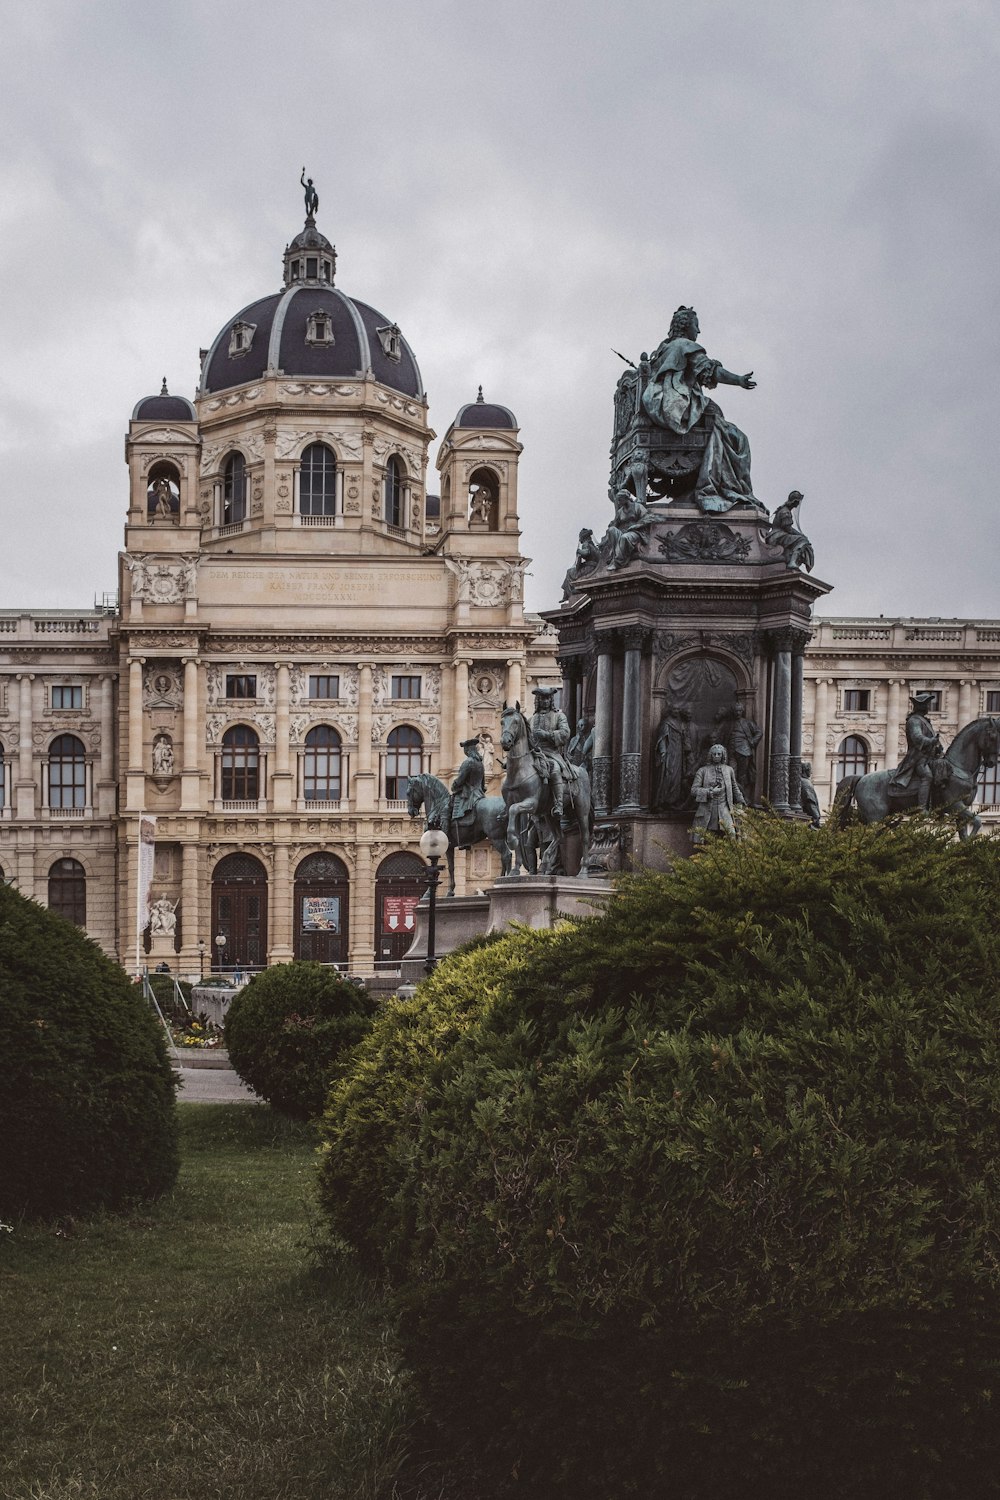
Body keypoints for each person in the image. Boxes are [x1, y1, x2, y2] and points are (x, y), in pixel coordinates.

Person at [640, 306, 763, 513]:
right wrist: (738, 380)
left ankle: (701, 486)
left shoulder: (662, 350)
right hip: (679, 410)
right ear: (687, 327)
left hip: (659, 410)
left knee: (720, 421)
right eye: (697, 325)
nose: (699, 331)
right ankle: (725, 486)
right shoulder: (685, 346)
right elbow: (711, 372)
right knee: (738, 439)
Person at [888, 691, 944, 810]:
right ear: (921, 706)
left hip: (929, 758)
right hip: (917, 758)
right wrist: (931, 741)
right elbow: (917, 738)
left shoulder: (924, 721)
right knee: (927, 776)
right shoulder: (914, 720)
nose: (928, 707)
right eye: (926, 705)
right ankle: (922, 808)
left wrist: (937, 747)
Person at [529, 685, 573, 818]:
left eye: (548, 698)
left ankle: (559, 804)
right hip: (534, 754)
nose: (545, 701)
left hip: (552, 753)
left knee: (554, 769)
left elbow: (565, 733)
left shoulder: (559, 716)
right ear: (538, 700)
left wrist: (547, 735)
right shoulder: (531, 720)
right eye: (542, 698)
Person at [690, 744, 745, 843]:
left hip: (724, 808)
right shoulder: (702, 771)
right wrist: (710, 791)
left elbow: (734, 787)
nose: (716, 756)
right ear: (710, 755)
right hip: (707, 809)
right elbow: (693, 790)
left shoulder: (729, 770)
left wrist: (741, 800)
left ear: (723, 755)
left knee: (731, 834)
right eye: (714, 754)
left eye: (719, 754)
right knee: (707, 837)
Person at [652, 705, 695, 810]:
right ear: (671, 711)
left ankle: (673, 801)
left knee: (677, 777)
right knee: (668, 775)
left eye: (678, 709)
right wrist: (662, 751)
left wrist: (687, 750)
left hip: (678, 753)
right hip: (669, 753)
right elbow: (662, 738)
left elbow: (685, 737)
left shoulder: (680, 724)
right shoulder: (666, 723)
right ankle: (662, 801)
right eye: (674, 709)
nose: (676, 711)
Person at [764, 490, 814, 572]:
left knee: (801, 539)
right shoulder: (785, 512)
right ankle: (792, 562)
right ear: (794, 501)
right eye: (797, 502)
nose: (798, 504)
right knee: (802, 540)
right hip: (777, 536)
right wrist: (801, 535)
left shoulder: (785, 510)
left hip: (778, 535)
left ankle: (793, 560)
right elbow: (788, 529)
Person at [605, 488, 655, 570]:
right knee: (611, 530)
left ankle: (618, 563)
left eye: (619, 500)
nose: (618, 502)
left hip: (636, 532)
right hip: (624, 531)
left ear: (626, 498)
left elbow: (648, 518)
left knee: (625, 537)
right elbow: (615, 524)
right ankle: (614, 556)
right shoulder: (620, 511)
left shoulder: (638, 507)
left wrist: (636, 526)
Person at [449, 736, 486, 844]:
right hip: (479, 794)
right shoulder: (480, 763)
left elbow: (460, 779)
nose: (465, 751)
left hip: (469, 795)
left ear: (469, 750)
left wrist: (454, 786)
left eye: (465, 749)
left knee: (447, 809)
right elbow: (483, 783)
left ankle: (451, 836)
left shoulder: (468, 762)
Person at [729, 704, 763, 803]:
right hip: (731, 752)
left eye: (739, 711)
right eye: (736, 711)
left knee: (742, 776)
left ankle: (742, 798)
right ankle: (738, 797)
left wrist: (753, 741)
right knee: (731, 774)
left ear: (742, 711)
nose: (737, 713)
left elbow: (759, 732)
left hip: (744, 751)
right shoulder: (729, 724)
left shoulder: (747, 723)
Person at [800, 760, 822, 828]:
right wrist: (816, 817)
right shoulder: (806, 783)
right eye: (810, 770)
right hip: (808, 819)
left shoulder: (801, 781)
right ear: (806, 770)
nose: (811, 772)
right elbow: (810, 801)